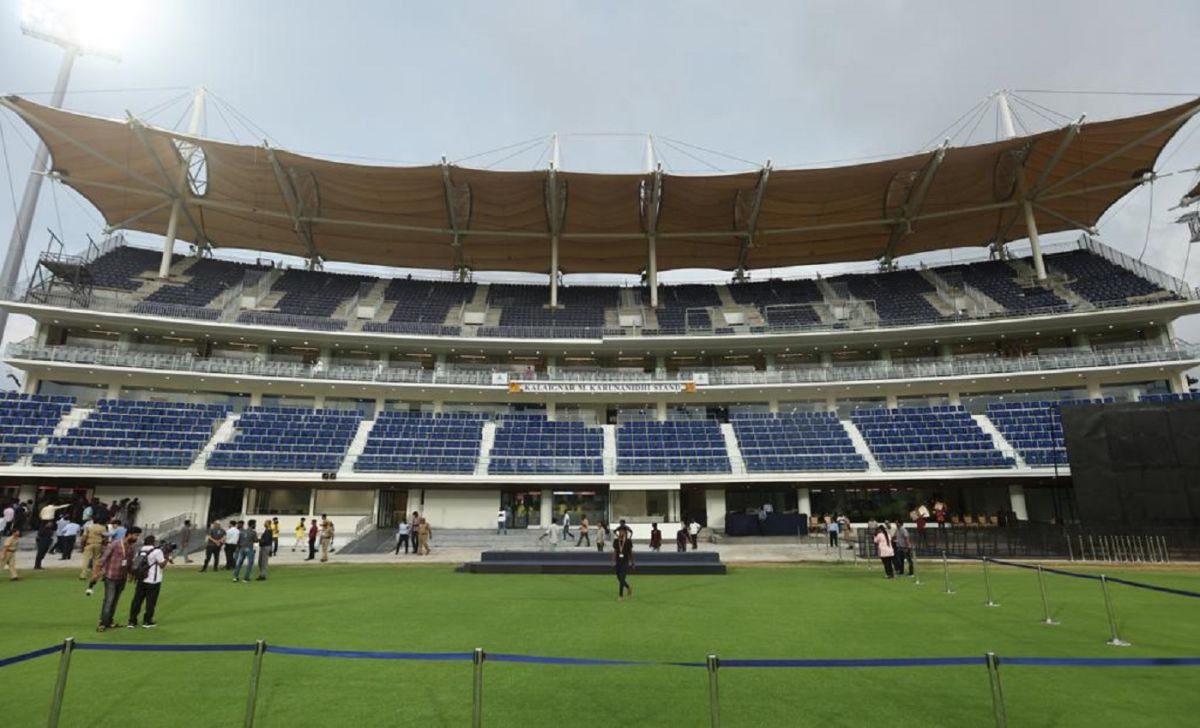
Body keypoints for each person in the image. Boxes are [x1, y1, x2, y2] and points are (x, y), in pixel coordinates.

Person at [97, 527, 140, 632]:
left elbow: (129, 563)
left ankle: (109, 621)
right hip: (111, 576)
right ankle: (102, 623)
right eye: (136, 535)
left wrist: (131, 574)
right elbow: (104, 558)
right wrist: (97, 571)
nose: (137, 538)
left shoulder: (131, 548)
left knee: (115, 601)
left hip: (122, 578)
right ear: (129, 534)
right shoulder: (115, 544)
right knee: (109, 600)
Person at [128, 534, 168, 628]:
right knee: (150, 602)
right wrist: (166, 557)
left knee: (137, 600)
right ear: (153, 542)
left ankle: (132, 621)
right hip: (153, 580)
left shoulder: (140, 550)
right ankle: (147, 621)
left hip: (141, 579)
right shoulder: (157, 551)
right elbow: (162, 565)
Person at [613, 527, 634, 601]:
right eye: (620, 532)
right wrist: (614, 561)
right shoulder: (616, 541)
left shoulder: (628, 541)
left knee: (622, 578)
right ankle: (628, 587)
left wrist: (632, 562)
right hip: (618, 562)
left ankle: (620, 595)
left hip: (625, 561)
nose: (621, 533)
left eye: (622, 532)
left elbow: (630, 552)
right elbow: (615, 551)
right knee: (619, 578)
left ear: (625, 533)